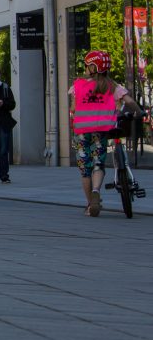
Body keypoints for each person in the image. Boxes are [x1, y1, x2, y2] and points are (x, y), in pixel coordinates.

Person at [70, 50, 141, 217]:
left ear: (93, 67)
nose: (85, 68)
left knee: (85, 170)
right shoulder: (112, 85)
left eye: (87, 65)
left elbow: (73, 108)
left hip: (81, 132)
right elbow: (129, 101)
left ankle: (90, 204)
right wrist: (139, 112)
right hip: (101, 130)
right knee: (98, 164)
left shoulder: (77, 85)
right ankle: (96, 191)